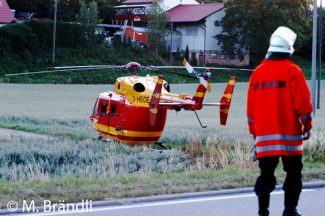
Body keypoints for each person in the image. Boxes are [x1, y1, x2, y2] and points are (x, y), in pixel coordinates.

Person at [247, 26, 313, 216]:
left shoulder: (257, 73)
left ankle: (263, 211)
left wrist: (255, 134)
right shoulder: (293, 71)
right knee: (293, 174)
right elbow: (303, 104)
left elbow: (251, 110)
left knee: (266, 175)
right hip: (289, 137)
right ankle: (289, 211)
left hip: (264, 139)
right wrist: (307, 126)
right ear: (289, 50)